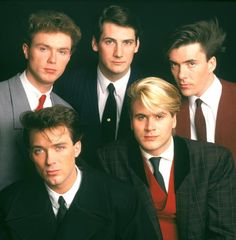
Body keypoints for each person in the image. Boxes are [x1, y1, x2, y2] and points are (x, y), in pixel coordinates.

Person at [96, 77, 236, 239]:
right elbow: (108, 230)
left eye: (159, 117)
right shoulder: (109, 159)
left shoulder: (214, 160)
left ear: (174, 119)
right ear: (131, 122)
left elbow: (225, 233)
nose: (150, 127)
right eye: (141, 117)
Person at [0, 105, 157, 240]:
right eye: (39, 150)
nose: (49, 160)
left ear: (77, 148)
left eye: (59, 148)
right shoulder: (8, 202)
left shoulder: (122, 198)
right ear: (30, 155)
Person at [0, 10, 81, 190]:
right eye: (43, 49)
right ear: (26, 50)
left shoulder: (67, 109)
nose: (52, 60)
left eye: (62, 51)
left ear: (69, 57)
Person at [54, 4, 144, 164]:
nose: (119, 53)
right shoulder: (66, 86)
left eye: (127, 43)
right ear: (95, 43)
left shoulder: (150, 88)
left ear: (136, 45)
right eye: (110, 42)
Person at [166, 19, 236, 164]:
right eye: (175, 65)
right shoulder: (167, 106)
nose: (181, 75)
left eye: (191, 64)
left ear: (211, 64)